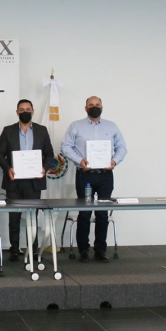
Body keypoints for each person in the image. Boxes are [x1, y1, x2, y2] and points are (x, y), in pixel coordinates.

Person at [61, 95, 127, 263]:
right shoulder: (76, 126)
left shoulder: (111, 126)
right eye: (91, 105)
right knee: (84, 213)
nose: (94, 107)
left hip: (105, 176)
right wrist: (79, 160)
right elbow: (66, 147)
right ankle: (83, 250)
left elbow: (122, 147)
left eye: (97, 104)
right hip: (85, 175)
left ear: (102, 107)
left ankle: (100, 250)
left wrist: (114, 161)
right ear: (86, 108)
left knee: (102, 213)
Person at [0, 99, 55, 262]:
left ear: (33, 111)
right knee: (14, 218)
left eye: (28, 109)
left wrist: (44, 169)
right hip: (13, 180)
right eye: (21, 109)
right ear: (17, 112)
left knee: (32, 216)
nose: (25, 112)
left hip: (34, 181)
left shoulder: (42, 130)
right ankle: (14, 250)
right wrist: (8, 169)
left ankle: (33, 250)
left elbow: (49, 154)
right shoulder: (8, 131)